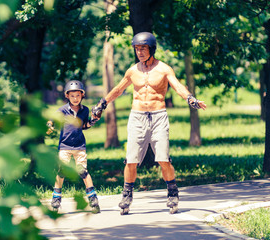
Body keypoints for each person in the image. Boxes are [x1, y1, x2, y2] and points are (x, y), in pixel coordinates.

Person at [92, 32, 206, 215]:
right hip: (137, 117)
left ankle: (172, 194)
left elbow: (177, 86)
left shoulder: (164, 69)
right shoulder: (132, 71)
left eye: (143, 49)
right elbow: (118, 89)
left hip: (158, 116)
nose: (140, 52)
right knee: (131, 160)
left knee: (163, 159)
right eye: (137, 49)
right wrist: (102, 104)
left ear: (151, 49)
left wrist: (190, 99)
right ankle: (126, 196)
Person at [47, 80, 101, 213]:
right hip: (65, 146)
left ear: (82, 95)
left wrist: (93, 121)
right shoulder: (62, 110)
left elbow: (84, 126)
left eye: (78, 95)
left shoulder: (85, 110)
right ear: (67, 96)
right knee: (61, 171)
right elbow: (52, 120)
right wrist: (50, 124)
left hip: (79, 146)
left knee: (83, 171)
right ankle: (56, 198)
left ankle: (93, 198)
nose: (75, 98)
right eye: (72, 96)